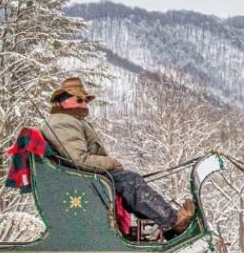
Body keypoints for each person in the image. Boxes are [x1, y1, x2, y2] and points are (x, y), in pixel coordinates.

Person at [40, 76, 196, 239]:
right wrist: (111, 163)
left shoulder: (69, 119)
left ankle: (169, 228)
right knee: (130, 181)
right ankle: (173, 221)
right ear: (63, 101)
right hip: (83, 179)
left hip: (86, 177)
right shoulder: (63, 122)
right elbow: (79, 159)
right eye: (79, 100)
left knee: (129, 180)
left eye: (86, 100)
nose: (84, 104)